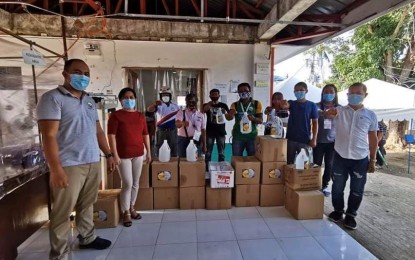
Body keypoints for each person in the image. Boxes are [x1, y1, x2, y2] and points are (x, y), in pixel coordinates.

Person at [36, 59, 114, 260]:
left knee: (87, 204)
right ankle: (59, 253)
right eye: (78, 72)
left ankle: (87, 237)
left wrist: (109, 154)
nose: (83, 77)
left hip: (92, 160)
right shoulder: (52, 99)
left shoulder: (88, 100)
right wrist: (56, 169)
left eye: (86, 73)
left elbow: (98, 130)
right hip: (69, 164)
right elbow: (49, 136)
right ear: (65, 74)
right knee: (62, 212)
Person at [325, 82, 378, 230]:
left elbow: (373, 138)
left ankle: (351, 215)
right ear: (347, 95)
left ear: (365, 95)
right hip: (340, 156)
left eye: (358, 93)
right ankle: (338, 211)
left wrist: (372, 160)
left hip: (360, 158)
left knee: (357, 190)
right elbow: (326, 114)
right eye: (351, 93)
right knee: (337, 187)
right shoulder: (339, 111)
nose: (354, 95)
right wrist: (327, 113)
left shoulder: (370, 115)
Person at [107, 87, 151, 227]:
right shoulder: (116, 116)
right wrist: (114, 154)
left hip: (138, 153)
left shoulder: (140, 116)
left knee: (135, 183)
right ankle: (125, 211)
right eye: (126, 97)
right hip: (123, 155)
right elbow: (111, 136)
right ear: (121, 100)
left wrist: (148, 151)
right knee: (127, 183)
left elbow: (145, 135)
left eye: (132, 97)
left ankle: (132, 207)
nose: (129, 100)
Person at [280, 82, 318, 164]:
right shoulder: (292, 103)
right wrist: (284, 105)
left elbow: (315, 123)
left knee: (304, 164)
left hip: (304, 140)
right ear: (294, 92)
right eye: (296, 90)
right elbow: (286, 106)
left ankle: (303, 177)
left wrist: (314, 138)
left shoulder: (312, 105)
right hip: (291, 139)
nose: (299, 92)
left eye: (301, 90)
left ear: (306, 91)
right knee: (289, 163)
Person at [313, 84, 339, 197]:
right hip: (318, 141)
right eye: (326, 91)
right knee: (316, 164)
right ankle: (315, 185)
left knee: (329, 165)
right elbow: (313, 117)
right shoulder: (316, 106)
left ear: (335, 94)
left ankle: (324, 185)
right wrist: (324, 113)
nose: (328, 94)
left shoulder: (340, 108)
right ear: (322, 93)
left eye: (331, 92)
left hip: (333, 142)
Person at [228, 82, 263, 156]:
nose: (243, 92)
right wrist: (230, 114)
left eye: (246, 90)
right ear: (238, 93)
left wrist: (253, 118)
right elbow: (229, 118)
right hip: (238, 136)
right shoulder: (234, 105)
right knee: (237, 160)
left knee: (253, 159)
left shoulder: (256, 104)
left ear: (250, 91)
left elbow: (260, 120)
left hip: (252, 136)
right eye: (241, 91)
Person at [147, 88, 179, 157]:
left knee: (173, 149)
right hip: (161, 131)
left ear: (170, 96)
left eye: (167, 95)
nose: (165, 96)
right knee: (160, 150)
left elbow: (179, 116)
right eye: (163, 95)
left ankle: (173, 165)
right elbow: (149, 110)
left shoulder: (175, 106)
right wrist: (154, 104)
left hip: (172, 130)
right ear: (160, 96)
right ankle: (160, 165)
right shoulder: (158, 105)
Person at [202, 89, 230, 168]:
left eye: (216, 94)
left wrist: (225, 113)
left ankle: (221, 166)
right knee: (208, 151)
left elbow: (229, 117)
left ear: (219, 95)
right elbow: (203, 110)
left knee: (221, 151)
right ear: (210, 96)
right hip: (210, 131)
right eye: (212, 95)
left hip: (221, 131)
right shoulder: (206, 104)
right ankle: (207, 168)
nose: (214, 96)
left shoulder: (223, 105)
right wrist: (209, 104)